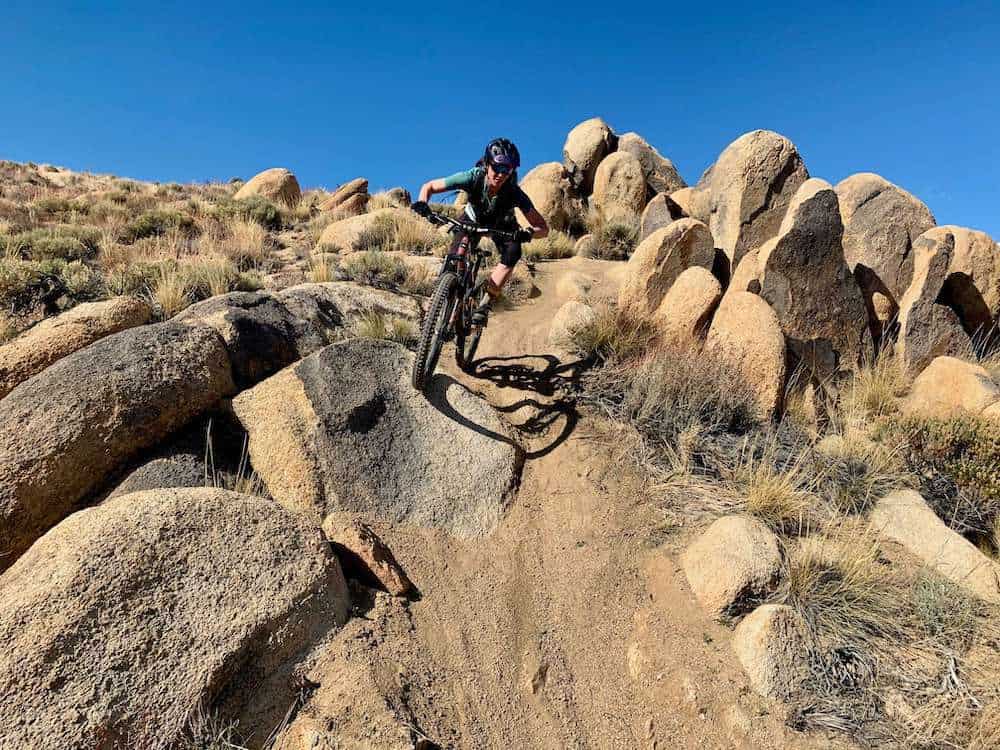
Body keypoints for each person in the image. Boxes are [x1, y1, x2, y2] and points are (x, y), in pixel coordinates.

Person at [411, 138, 548, 323]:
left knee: (513, 251)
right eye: (497, 168)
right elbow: (429, 187)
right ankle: (440, 301)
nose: (501, 174)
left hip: (502, 226)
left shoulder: (514, 192)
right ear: (487, 164)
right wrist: (422, 203)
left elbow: (543, 228)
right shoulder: (473, 177)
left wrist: (528, 233)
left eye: (507, 169)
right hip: (472, 220)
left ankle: (485, 302)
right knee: (454, 261)